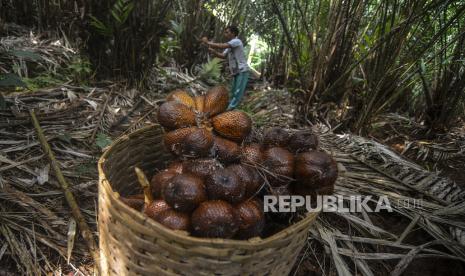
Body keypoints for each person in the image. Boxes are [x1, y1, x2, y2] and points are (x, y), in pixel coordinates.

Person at [202, 26, 249, 110]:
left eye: (227, 32)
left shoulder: (236, 41)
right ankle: (229, 107)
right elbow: (223, 55)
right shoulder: (230, 44)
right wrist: (213, 52)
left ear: (233, 33)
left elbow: (222, 46)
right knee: (233, 91)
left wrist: (208, 42)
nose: (225, 34)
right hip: (235, 71)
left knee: (237, 91)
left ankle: (230, 109)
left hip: (242, 70)